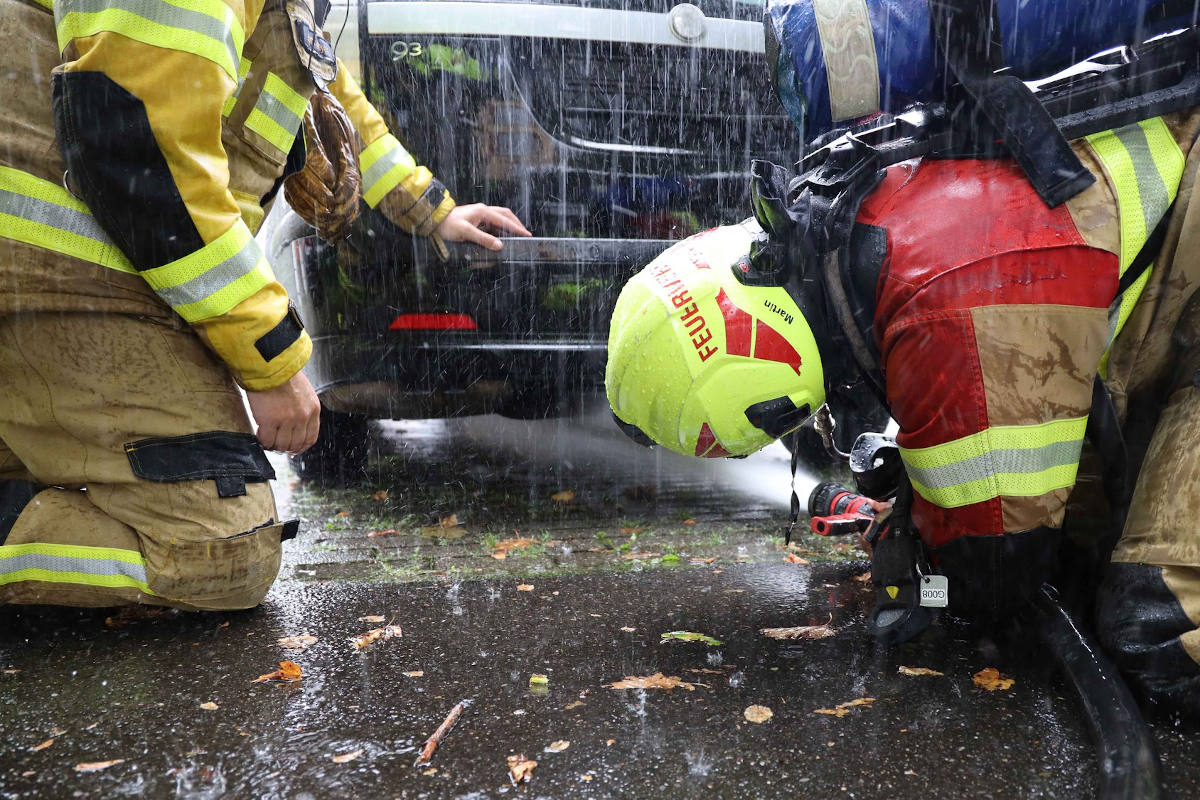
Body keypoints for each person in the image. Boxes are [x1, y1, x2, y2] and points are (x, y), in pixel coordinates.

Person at [605, 61, 1200, 720]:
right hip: (1171, 298)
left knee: (1159, 630)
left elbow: (996, 569)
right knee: (1085, 555)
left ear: (761, 400)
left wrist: (920, 556)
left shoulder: (938, 306)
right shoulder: (847, 210)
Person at [0, 0, 527, 611]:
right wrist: (272, 362)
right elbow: (142, 151)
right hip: (76, 281)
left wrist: (431, 206)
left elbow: (328, 92)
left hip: (93, 272)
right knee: (216, 553)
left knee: (43, 474)